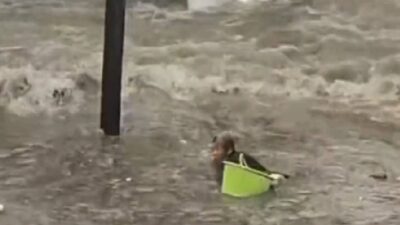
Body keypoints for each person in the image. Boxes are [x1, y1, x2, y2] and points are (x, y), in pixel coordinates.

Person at [210, 131, 289, 186]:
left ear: (229, 150)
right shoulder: (217, 163)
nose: (214, 153)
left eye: (217, 149)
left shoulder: (238, 159)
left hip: (265, 176)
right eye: (213, 149)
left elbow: (259, 173)